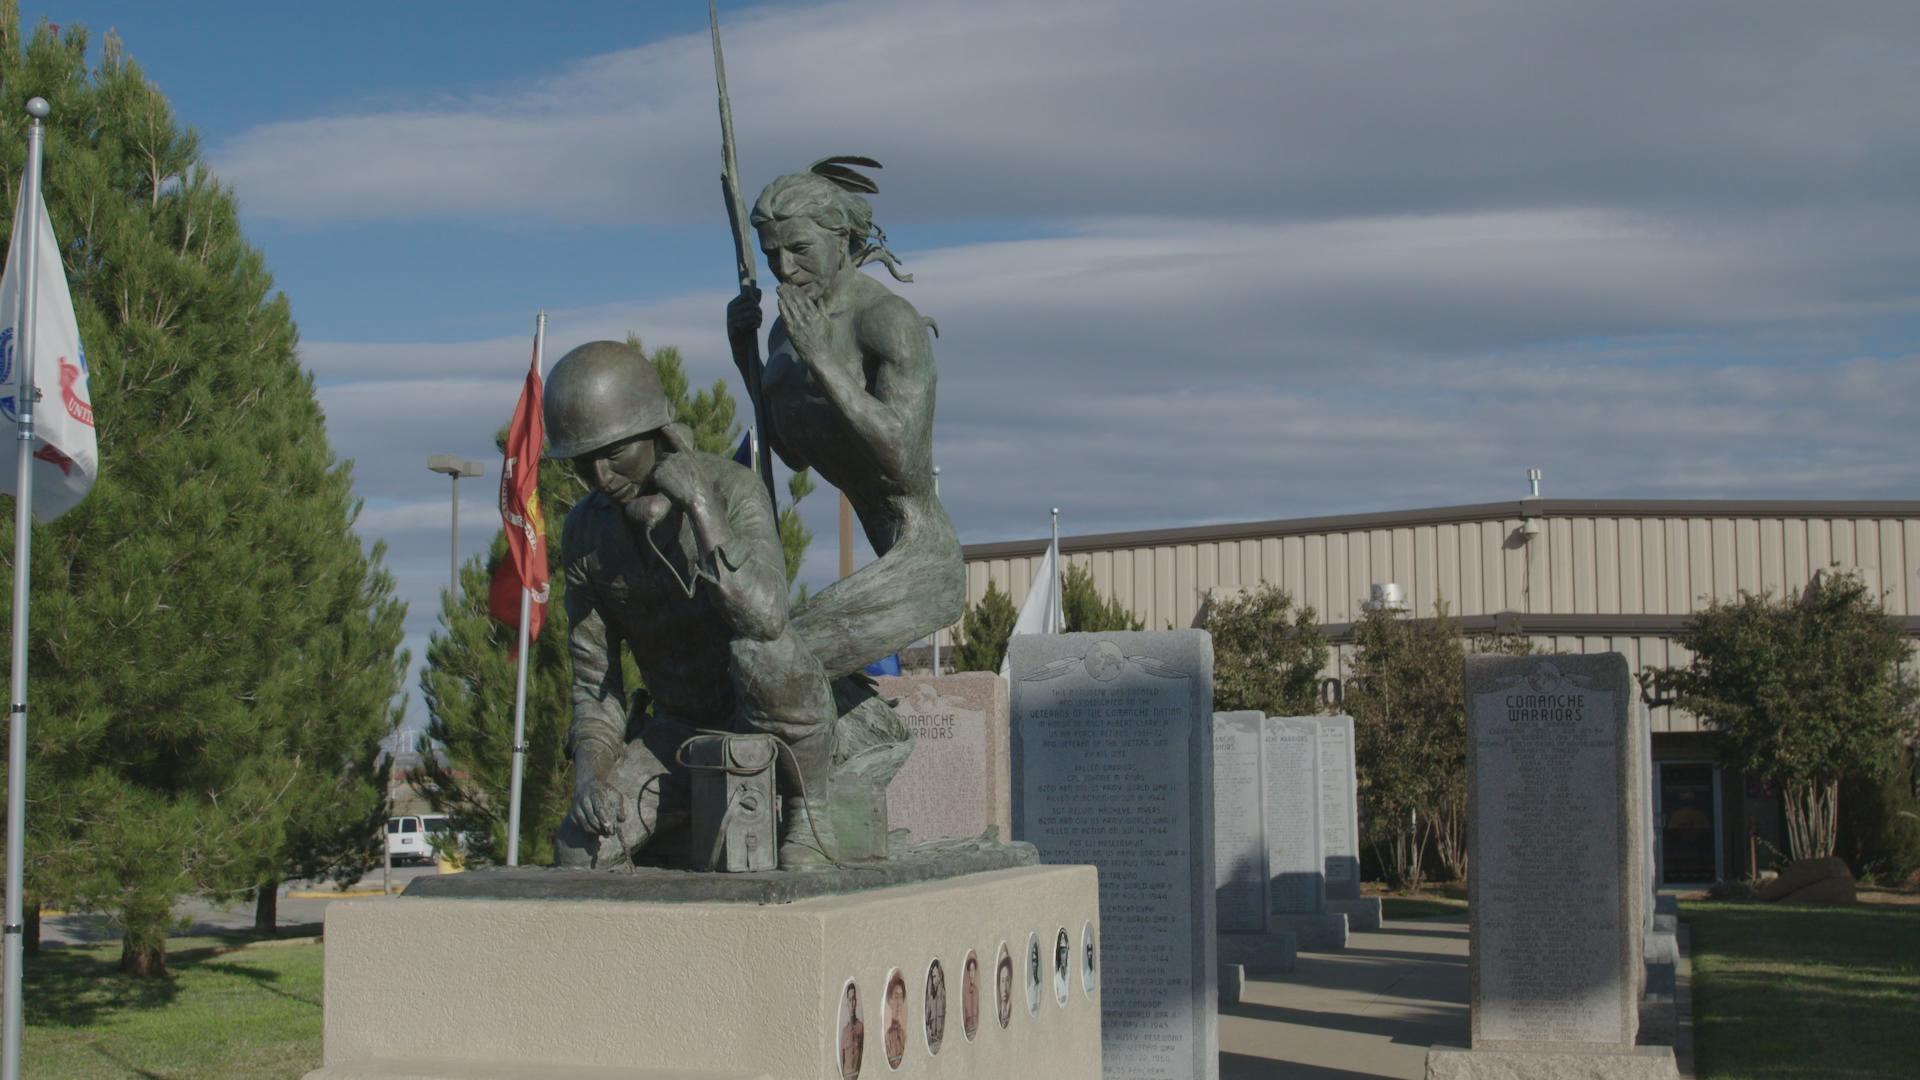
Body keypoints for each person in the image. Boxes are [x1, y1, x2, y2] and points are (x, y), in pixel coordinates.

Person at [544, 340, 853, 869]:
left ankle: (809, 810)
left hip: (765, 716)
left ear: (655, 432)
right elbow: (595, 684)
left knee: (764, 653)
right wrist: (591, 778)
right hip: (680, 731)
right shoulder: (586, 533)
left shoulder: (732, 489)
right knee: (578, 851)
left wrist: (702, 507)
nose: (600, 478)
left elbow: (767, 617)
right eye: (582, 462)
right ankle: (688, 812)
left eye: (614, 453)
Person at [726, 160, 964, 678]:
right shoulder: (787, 334)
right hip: (884, 553)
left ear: (843, 238)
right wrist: (746, 358)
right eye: (771, 254)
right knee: (755, 659)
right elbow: (792, 454)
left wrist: (823, 362)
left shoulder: (887, 322)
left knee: (772, 664)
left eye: (799, 249)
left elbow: (904, 461)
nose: (784, 269)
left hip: (920, 555)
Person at [838, 981, 864, 1079]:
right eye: (849, 1000)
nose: (852, 1004)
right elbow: (841, 1061)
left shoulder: (861, 1028)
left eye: (854, 999)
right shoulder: (844, 1032)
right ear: (847, 1003)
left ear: (856, 1001)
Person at [883, 972, 908, 1067]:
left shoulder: (904, 1034)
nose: (899, 1002)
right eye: (896, 996)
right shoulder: (887, 1037)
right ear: (890, 1001)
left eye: (901, 997)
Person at [924, 960, 945, 1052]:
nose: (933, 980)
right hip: (931, 1046)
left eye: (935, 976)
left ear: (940, 977)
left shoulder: (943, 995)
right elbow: (926, 1021)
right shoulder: (929, 999)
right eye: (932, 977)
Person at [961, 953, 979, 1038]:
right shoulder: (964, 992)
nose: (972, 973)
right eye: (970, 970)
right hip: (967, 1032)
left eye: (973, 970)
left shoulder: (977, 991)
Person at [995, 947, 1014, 1028]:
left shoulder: (1012, 1011)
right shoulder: (998, 1013)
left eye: (1007, 980)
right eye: (1002, 981)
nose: (1005, 988)